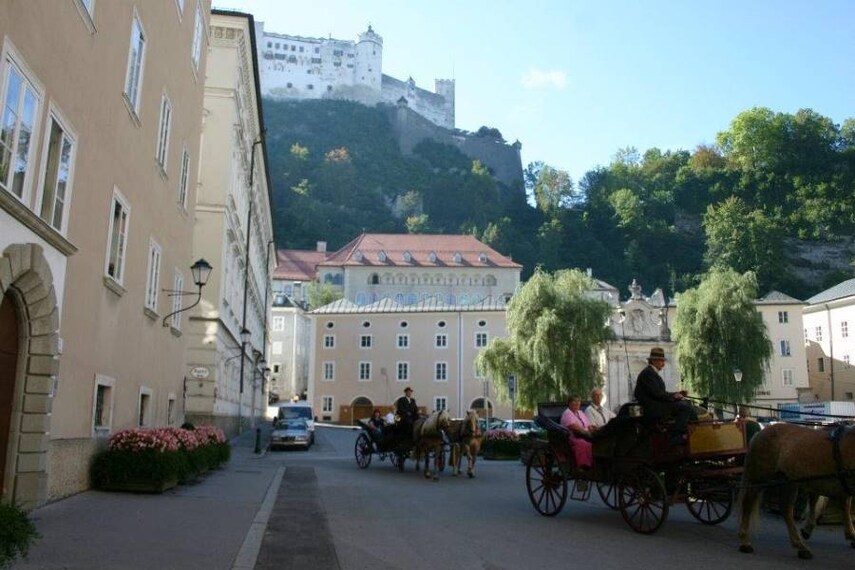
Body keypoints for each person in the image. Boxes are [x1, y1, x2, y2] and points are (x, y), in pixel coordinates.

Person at [634, 347, 695, 445]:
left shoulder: (651, 373)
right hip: (653, 408)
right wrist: (674, 396)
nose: (663, 364)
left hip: (657, 405)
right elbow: (657, 394)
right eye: (661, 361)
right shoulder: (648, 374)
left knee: (688, 404)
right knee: (685, 407)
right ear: (653, 361)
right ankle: (675, 436)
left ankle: (693, 431)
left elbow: (660, 393)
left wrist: (677, 394)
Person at [559, 395, 594, 469]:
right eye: (574, 401)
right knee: (584, 443)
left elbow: (588, 425)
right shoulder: (567, 413)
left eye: (578, 401)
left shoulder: (580, 412)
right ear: (569, 403)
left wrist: (593, 429)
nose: (577, 403)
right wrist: (586, 433)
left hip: (584, 435)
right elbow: (573, 427)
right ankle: (583, 466)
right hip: (573, 437)